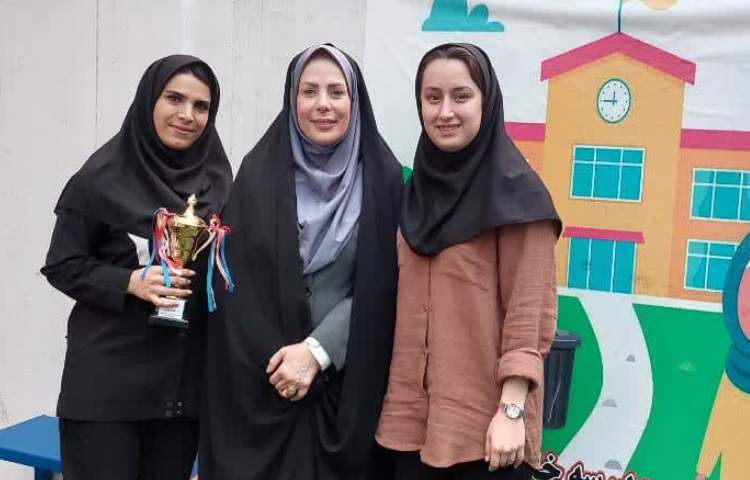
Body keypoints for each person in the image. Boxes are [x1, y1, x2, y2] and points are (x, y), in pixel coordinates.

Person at [199, 44, 402, 480]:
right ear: (292, 100)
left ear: (355, 101)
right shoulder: (258, 174)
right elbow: (234, 289)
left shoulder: (384, 180)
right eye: (309, 91)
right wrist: (283, 364)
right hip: (263, 394)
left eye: (336, 92)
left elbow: (386, 285)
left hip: (348, 403)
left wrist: (318, 351)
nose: (323, 104)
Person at [41, 55, 232, 480]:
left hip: (179, 394)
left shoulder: (217, 181)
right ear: (149, 101)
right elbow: (62, 264)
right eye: (174, 99)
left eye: (201, 106)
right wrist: (130, 281)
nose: (187, 115)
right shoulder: (99, 178)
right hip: (106, 391)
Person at [375, 43, 561, 480]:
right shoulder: (412, 196)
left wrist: (511, 411)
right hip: (408, 428)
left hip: (487, 435)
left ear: (486, 101)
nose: (445, 112)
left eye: (461, 96)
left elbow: (529, 317)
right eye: (432, 97)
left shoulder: (519, 197)